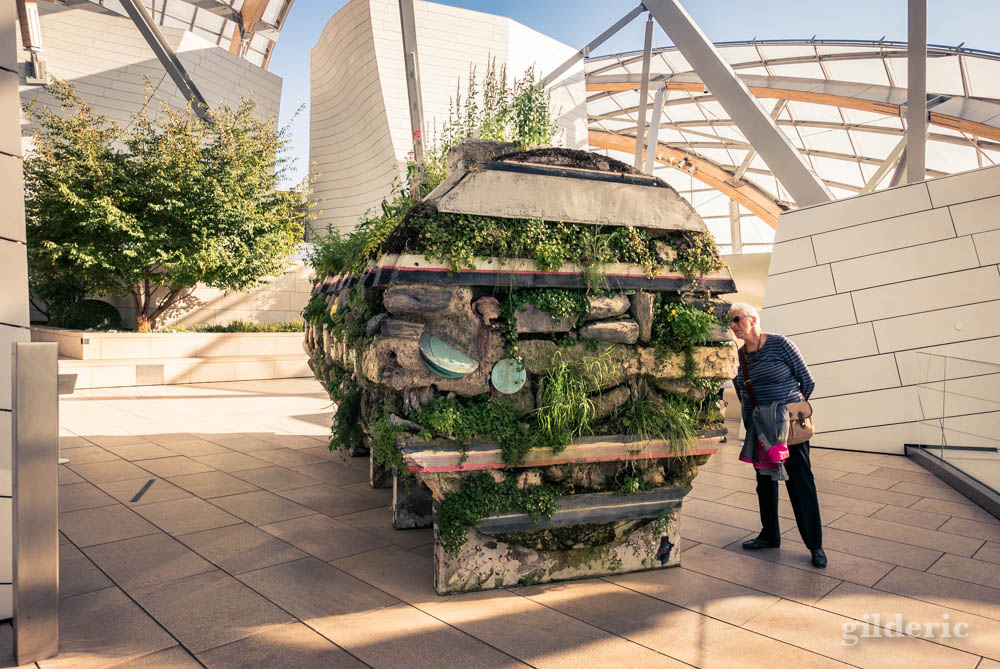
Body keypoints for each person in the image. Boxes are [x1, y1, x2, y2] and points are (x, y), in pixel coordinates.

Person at [729, 302, 827, 569]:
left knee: (801, 483)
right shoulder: (739, 357)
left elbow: (807, 381)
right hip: (760, 430)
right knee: (765, 484)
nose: (733, 326)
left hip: (789, 429)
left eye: (737, 319)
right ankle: (770, 535)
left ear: (753, 319)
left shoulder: (781, 344)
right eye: (731, 322)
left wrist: (788, 409)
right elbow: (741, 392)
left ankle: (815, 545)